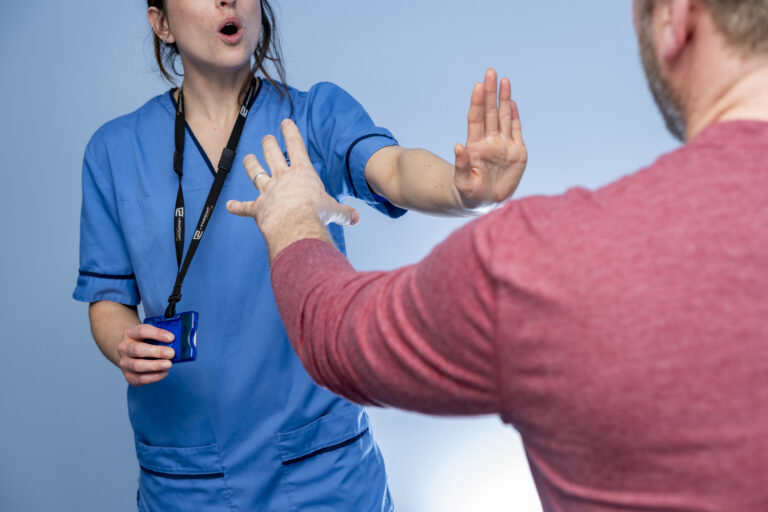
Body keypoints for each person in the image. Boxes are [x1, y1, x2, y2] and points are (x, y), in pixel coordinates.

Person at [226, 0, 768, 510]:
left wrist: (291, 214)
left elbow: (337, 334)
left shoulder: (546, 259)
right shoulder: (138, 138)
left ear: (677, 18)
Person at [72, 1, 525, 510]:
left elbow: (393, 169)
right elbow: (108, 298)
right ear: (161, 23)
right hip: (186, 476)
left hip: (320, 469)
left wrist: (463, 190)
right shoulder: (113, 150)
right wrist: (122, 345)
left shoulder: (312, 116)